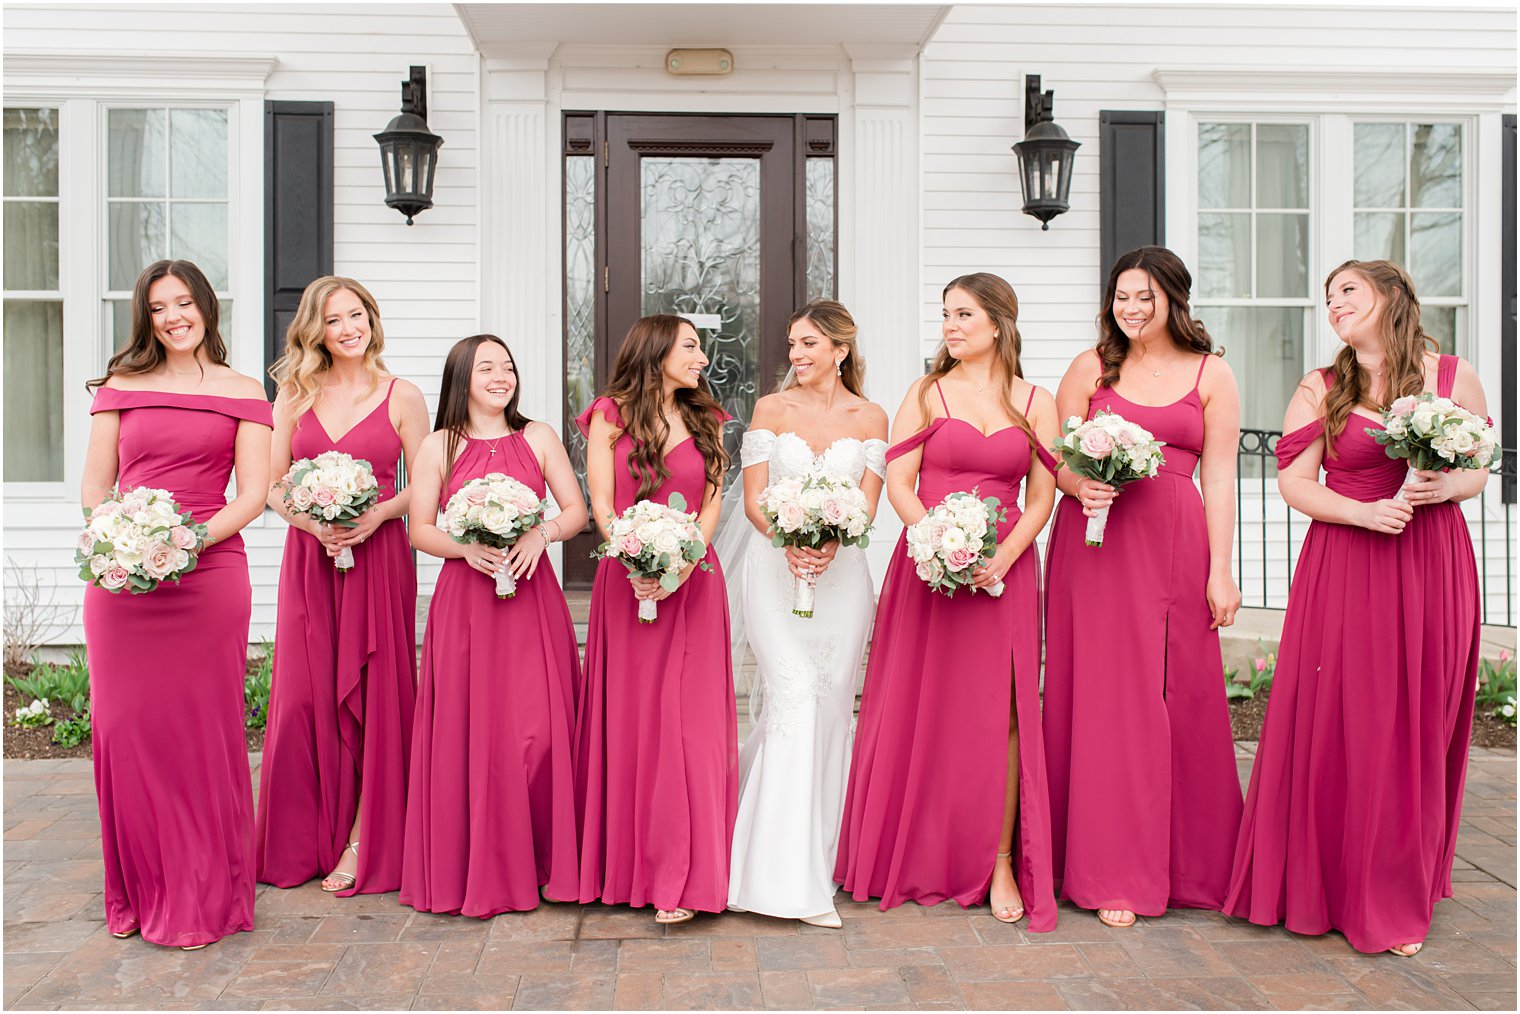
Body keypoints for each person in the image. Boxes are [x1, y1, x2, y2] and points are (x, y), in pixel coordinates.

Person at [1225, 260, 1489, 956]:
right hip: (1346, 563)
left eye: (1349, 291)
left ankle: (1397, 889)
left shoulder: (1451, 376)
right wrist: (1363, 513)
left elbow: (1479, 465)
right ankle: (1329, 884)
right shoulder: (1322, 386)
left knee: (1414, 723)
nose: (1334, 304)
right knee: (1349, 717)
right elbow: (1293, 482)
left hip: (1431, 562)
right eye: (1328, 297)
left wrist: (1446, 488)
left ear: (1392, 297)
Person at [835, 273, 1059, 931]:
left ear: (998, 323)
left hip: (1006, 569)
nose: (950, 326)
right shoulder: (926, 394)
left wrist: (1004, 556)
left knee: (1006, 714)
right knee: (923, 706)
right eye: (945, 315)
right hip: (929, 570)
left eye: (964, 314)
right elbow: (901, 483)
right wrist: (935, 540)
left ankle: (998, 860)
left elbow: (1042, 496)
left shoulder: (1035, 400)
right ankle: (918, 848)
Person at [1043, 246, 1243, 929]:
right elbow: (1055, 459)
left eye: (1143, 298)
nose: (1130, 310)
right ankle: (1108, 869)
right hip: (1096, 545)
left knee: (1176, 693)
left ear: (1173, 299)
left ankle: (1189, 866)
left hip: (1175, 547)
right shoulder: (1091, 368)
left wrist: (1221, 568)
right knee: (1104, 698)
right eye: (1121, 297)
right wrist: (1078, 482)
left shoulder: (1212, 374)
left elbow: (1218, 477)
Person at [80, 259, 272, 948]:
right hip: (123, 584)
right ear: (146, 318)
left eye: (184, 302)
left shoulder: (244, 391)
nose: (173, 316)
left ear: (206, 309)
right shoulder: (119, 389)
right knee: (127, 732)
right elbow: (95, 490)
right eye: (158, 307)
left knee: (201, 732)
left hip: (209, 574)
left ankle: (204, 890)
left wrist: (182, 543)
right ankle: (138, 888)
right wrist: (129, 547)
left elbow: (251, 494)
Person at [399, 334, 586, 916]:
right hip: (467, 604)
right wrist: (464, 548)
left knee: (539, 730)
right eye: (488, 368)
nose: (502, 376)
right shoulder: (438, 445)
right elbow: (418, 529)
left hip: (531, 600)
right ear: (462, 377)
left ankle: (543, 862)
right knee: (473, 732)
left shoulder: (538, 436)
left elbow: (576, 510)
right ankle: (479, 866)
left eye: (508, 366)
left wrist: (541, 533)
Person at [256, 277, 428, 896]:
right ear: (315, 331)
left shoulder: (402, 395)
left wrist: (376, 514)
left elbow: (427, 485)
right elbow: (272, 483)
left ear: (372, 320)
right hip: (310, 560)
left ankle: (364, 840)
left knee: (375, 699)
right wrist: (310, 521)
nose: (348, 327)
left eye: (357, 315)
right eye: (333, 320)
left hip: (378, 559)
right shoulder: (293, 395)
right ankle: (302, 841)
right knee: (303, 699)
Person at [720, 300, 889, 928]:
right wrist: (789, 539)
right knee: (792, 698)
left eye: (809, 344)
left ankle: (815, 856)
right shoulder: (772, 410)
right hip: (772, 569)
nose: (795, 355)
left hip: (842, 579)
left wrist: (831, 541)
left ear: (841, 350)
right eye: (792, 344)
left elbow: (867, 508)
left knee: (829, 710)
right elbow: (757, 498)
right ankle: (774, 877)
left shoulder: (871, 415)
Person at [574, 314, 738, 925]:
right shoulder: (609, 415)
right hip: (628, 583)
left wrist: (679, 560)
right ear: (658, 349)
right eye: (691, 347)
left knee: (690, 725)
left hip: (694, 582)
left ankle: (686, 873)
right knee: (638, 722)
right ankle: (630, 869)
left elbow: (714, 500)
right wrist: (637, 556)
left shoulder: (709, 419)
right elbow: (601, 502)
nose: (701, 357)